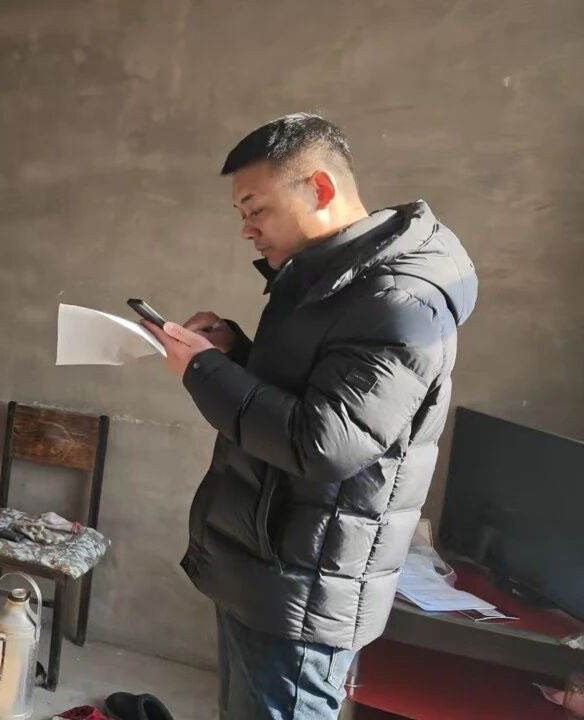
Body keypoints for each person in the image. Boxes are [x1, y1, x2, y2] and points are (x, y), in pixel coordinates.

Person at [146, 114, 478, 720]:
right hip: (269, 568)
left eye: (256, 209)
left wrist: (203, 371)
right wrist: (233, 354)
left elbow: (325, 443)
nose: (246, 229)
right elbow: (308, 391)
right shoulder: (330, 275)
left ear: (319, 188)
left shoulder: (399, 297)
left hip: (305, 589)